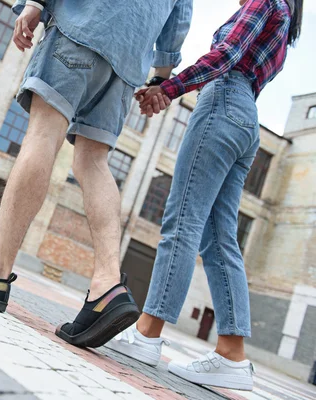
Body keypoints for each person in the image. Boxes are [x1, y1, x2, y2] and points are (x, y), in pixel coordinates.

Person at [0, 0, 193, 348]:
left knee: (44, 134)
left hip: (83, 26)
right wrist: (160, 79)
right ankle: (107, 284)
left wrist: (35, 3)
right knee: (93, 161)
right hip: (128, 61)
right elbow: (179, 18)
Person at [110, 0, 303, 391]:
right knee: (219, 239)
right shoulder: (287, 15)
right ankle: (232, 354)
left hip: (222, 103)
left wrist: (168, 87)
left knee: (183, 220)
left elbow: (226, 55)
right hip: (247, 118)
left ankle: (146, 335)